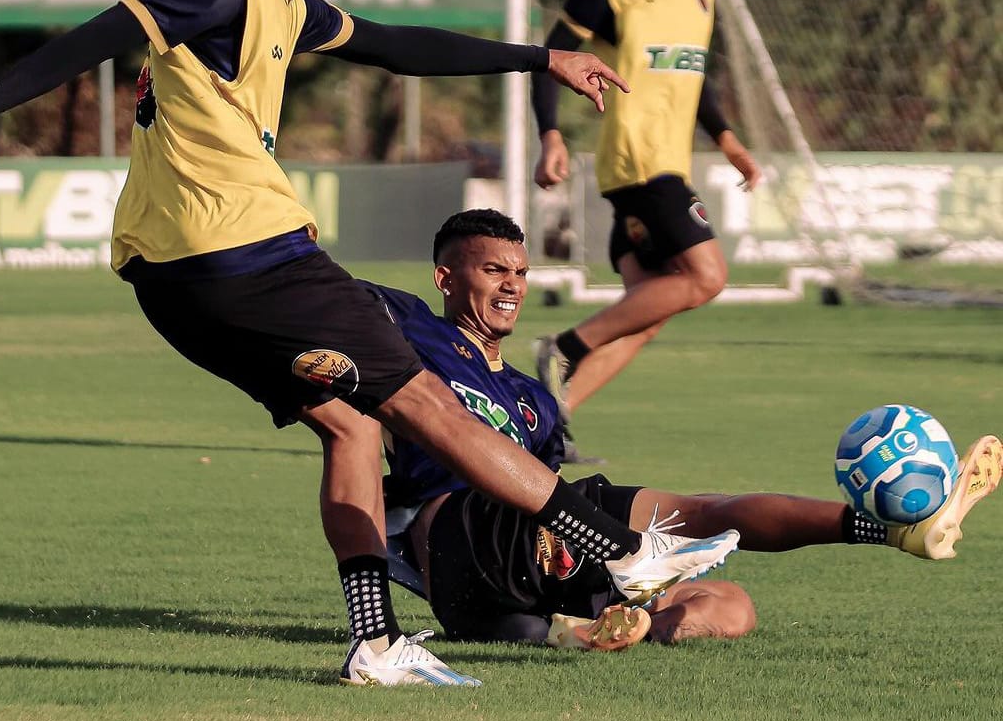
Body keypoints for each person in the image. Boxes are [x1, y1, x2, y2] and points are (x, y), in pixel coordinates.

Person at [0, 0, 742, 689]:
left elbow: (395, 46)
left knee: (351, 424)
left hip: (172, 281)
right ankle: (623, 552)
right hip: (247, 250)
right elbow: (104, 31)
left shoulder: (289, 3)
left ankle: (375, 642)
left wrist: (540, 57)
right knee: (426, 400)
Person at [365, 208, 1002, 649]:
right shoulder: (417, 330)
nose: (512, 285)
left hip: (496, 592)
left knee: (733, 605)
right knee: (700, 512)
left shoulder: (536, 400)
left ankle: (606, 631)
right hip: (458, 529)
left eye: (521, 272)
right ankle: (889, 531)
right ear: (445, 279)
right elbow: (328, 291)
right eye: (493, 271)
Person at [529, 0, 763, 433]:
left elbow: (693, 73)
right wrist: (550, 133)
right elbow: (551, 57)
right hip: (637, 161)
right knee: (707, 277)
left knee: (649, 310)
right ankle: (563, 346)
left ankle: (546, 424)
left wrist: (728, 141)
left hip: (668, 162)